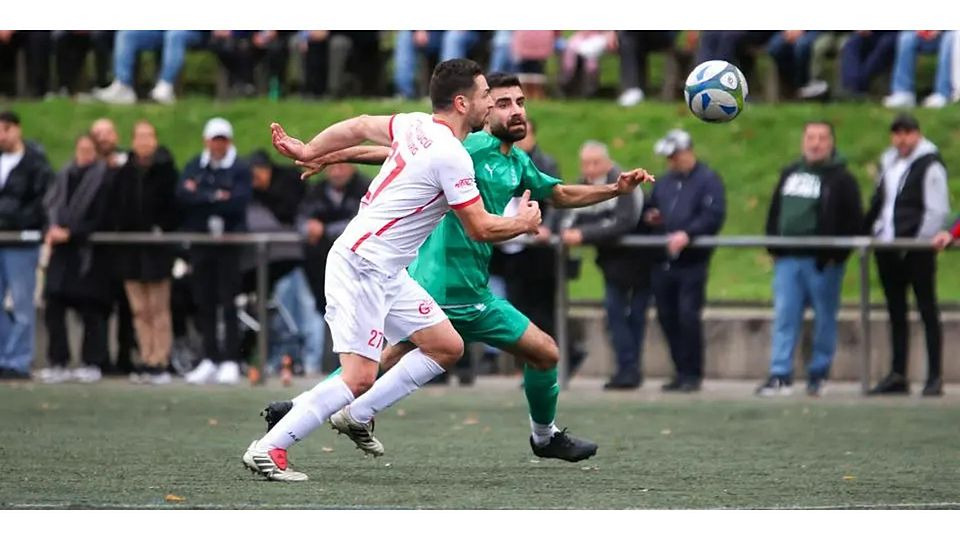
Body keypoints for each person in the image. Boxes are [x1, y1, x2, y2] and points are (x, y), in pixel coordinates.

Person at [267, 72, 653, 463]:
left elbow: (559, 193)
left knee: (544, 353)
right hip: (435, 285)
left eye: (520, 102)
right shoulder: (466, 147)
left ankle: (544, 436)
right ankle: (299, 412)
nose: (515, 111)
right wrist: (329, 155)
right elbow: (395, 154)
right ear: (483, 111)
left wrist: (614, 190)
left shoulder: (516, 161)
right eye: (502, 103)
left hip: (475, 293)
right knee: (377, 361)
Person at [241, 59, 543, 481]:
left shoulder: (417, 124)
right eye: (484, 97)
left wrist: (312, 149)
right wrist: (524, 224)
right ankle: (270, 448)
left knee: (445, 346)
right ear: (462, 103)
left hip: (386, 269)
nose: (490, 104)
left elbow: (361, 124)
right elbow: (479, 227)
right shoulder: (451, 154)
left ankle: (356, 416)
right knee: (359, 376)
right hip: (363, 265)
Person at [756, 121, 863, 397]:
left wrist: (834, 255)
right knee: (784, 317)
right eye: (811, 138)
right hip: (788, 260)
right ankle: (780, 374)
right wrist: (774, 247)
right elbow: (775, 211)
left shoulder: (842, 179)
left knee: (824, 319)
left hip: (822, 263)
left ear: (831, 143)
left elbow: (854, 221)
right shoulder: (790, 173)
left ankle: (819, 374)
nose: (815, 143)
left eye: (822, 138)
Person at [865, 114, 950, 397]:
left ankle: (934, 375)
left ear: (917, 134)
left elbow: (937, 209)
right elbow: (881, 201)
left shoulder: (930, 165)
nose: (902, 139)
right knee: (896, 312)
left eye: (907, 133)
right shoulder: (888, 163)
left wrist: (917, 241)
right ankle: (898, 373)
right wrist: (872, 230)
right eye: (897, 133)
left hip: (916, 248)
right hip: (888, 246)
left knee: (927, 309)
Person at [561, 141, 649, 390]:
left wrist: (585, 234)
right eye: (585, 163)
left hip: (640, 263)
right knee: (615, 316)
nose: (589, 169)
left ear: (607, 162)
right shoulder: (584, 185)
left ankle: (630, 370)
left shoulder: (625, 183)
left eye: (595, 163)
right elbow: (569, 217)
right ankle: (627, 369)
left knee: (633, 318)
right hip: (612, 265)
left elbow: (623, 222)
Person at [645, 129, 726, 392]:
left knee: (688, 316)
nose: (670, 162)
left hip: (692, 262)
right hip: (664, 261)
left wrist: (688, 234)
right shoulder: (665, 182)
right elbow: (652, 206)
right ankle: (680, 370)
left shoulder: (708, 180)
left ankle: (693, 372)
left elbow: (713, 215)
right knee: (667, 316)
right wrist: (652, 217)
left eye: (674, 156)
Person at [177, 118, 252, 386]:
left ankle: (231, 359)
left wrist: (204, 196)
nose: (218, 145)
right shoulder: (195, 165)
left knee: (228, 301)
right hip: (202, 243)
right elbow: (183, 196)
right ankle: (210, 357)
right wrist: (216, 196)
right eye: (214, 139)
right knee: (204, 301)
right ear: (207, 141)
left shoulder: (240, 168)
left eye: (222, 140)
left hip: (229, 244)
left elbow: (238, 202)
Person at [40, 134, 114, 384]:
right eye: (80, 148)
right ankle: (58, 361)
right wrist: (52, 230)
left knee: (90, 308)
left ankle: (91, 361)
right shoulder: (64, 176)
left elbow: (101, 217)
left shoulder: (103, 178)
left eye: (88, 149)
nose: (83, 153)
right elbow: (50, 207)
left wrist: (72, 233)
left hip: (87, 253)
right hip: (61, 252)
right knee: (54, 305)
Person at [112, 121, 180, 385]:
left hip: (157, 249)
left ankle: (160, 359)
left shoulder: (166, 170)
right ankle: (146, 356)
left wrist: (161, 227)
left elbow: (172, 207)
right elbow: (118, 206)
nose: (143, 141)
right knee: (139, 309)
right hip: (131, 249)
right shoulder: (124, 172)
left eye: (148, 136)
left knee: (158, 307)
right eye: (139, 136)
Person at [0, 110, 52, 380]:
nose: (2, 135)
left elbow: (41, 201)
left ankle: (18, 360)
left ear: (17, 130)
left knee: (22, 305)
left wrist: (14, 220)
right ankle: (3, 354)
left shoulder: (35, 163)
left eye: (6, 129)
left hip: (21, 241)